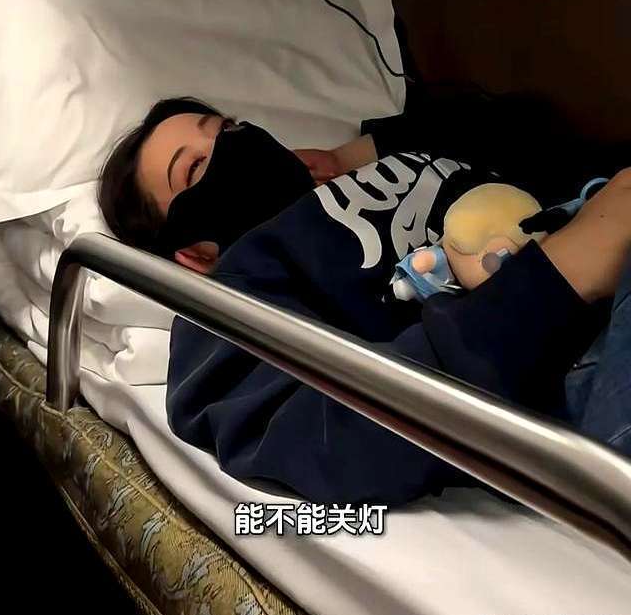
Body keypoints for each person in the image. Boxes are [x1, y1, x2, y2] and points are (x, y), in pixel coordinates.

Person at [98, 95, 631, 506]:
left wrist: (352, 156)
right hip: (580, 359)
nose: (229, 148)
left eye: (227, 129)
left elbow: (510, 118)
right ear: (192, 252)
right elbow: (318, 439)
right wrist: (559, 276)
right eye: (194, 169)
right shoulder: (235, 292)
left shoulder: (363, 169)